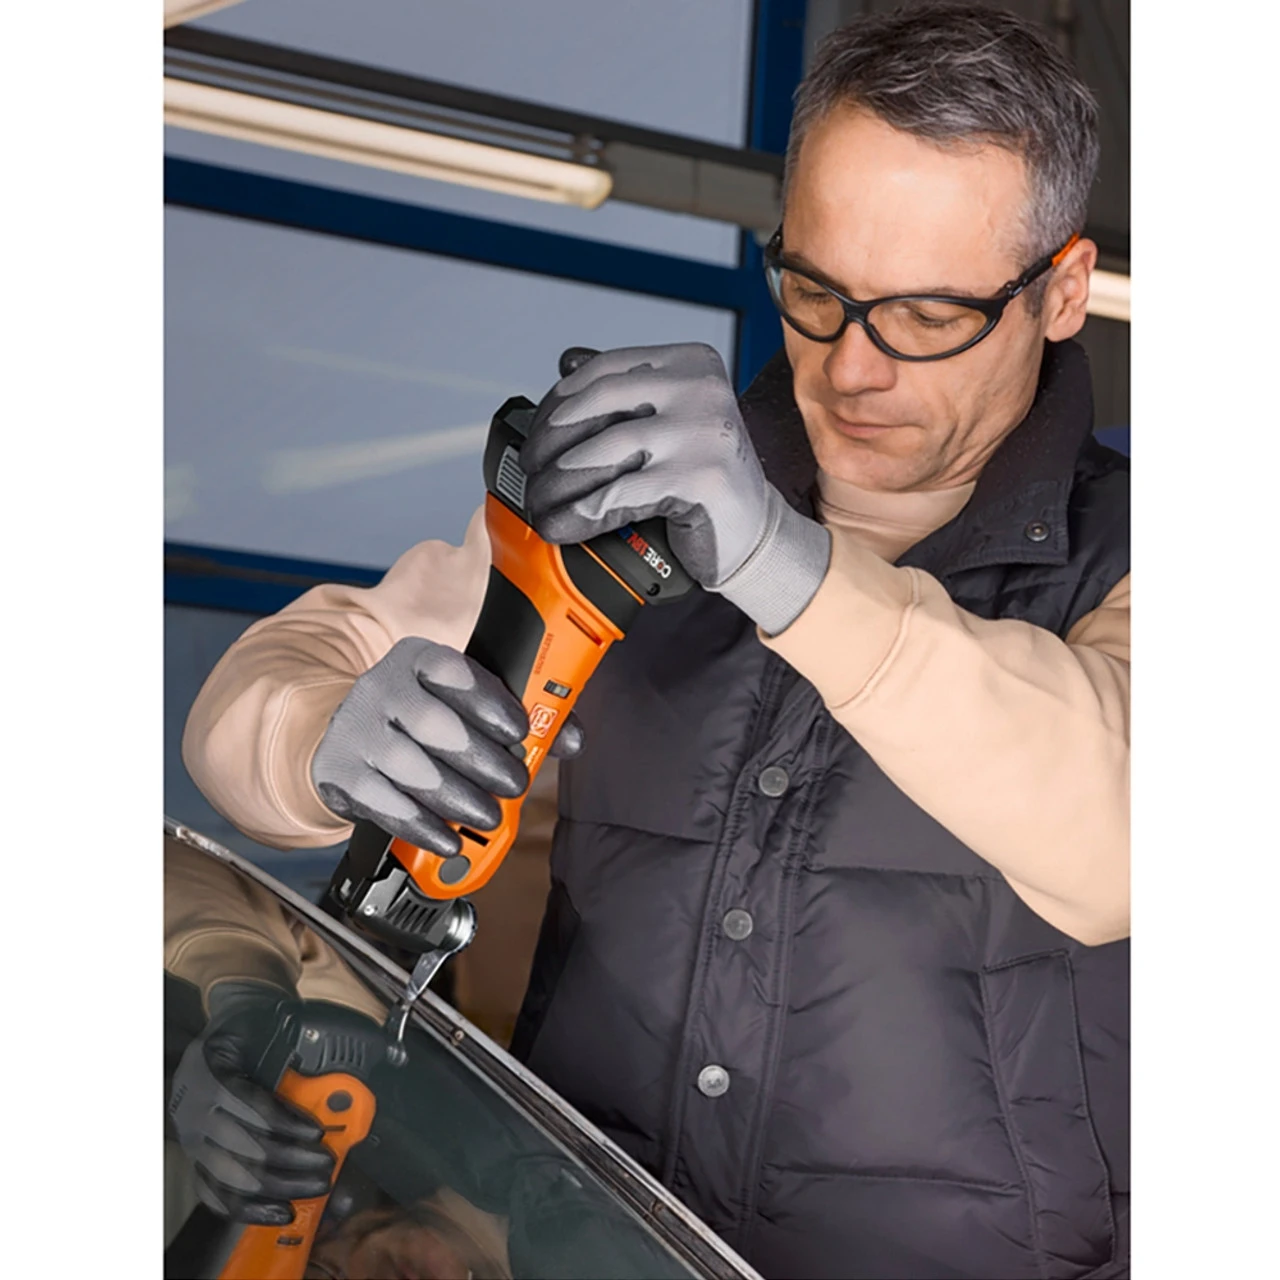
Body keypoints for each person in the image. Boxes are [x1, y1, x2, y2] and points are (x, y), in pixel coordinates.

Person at [178, 6, 1129, 1277]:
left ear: (1060, 291)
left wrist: (782, 563)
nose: (852, 369)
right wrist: (310, 735)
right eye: (814, 291)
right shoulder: (623, 519)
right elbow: (261, 700)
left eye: (924, 315)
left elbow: (1125, 835)